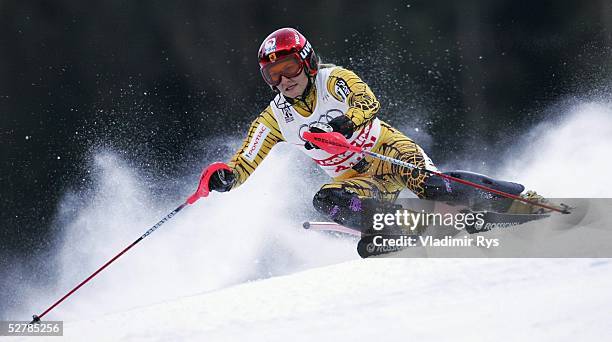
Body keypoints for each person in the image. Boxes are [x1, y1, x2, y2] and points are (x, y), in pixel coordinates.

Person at [207, 27, 546, 232]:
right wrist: (227, 177)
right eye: (273, 75)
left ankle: (518, 200)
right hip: (360, 178)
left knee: (436, 187)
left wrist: (345, 122)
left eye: (290, 67)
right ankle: (395, 227)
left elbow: (367, 102)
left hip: (388, 152)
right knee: (327, 199)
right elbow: (246, 159)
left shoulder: (334, 79)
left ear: (307, 62)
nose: (284, 80)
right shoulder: (274, 118)